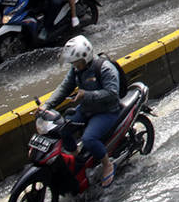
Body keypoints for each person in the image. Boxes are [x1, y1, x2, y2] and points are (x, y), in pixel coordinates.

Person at [42, 36, 120, 188]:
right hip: (86, 108)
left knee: (89, 139)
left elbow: (112, 93)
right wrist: (47, 105)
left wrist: (86, 95)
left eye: (75, 62)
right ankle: (77, 158)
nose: (74, 65)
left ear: (85, 58)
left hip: (106, 111)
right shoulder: (76, 70)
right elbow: (64, 87)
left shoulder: (104, 68)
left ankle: (107, 164)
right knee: (63, 129)